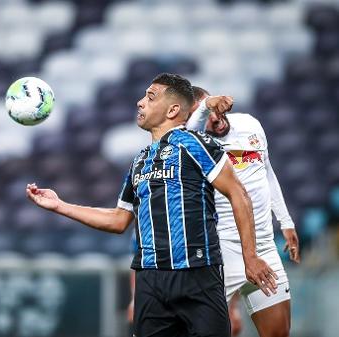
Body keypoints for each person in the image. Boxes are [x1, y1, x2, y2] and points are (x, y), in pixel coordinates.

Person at [26, 73, 277, 337]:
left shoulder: (196, 145)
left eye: (150, 96)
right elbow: (118, 219)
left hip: (198, 275)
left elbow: (239, 194)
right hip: (151, 281)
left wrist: (250, 256)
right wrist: (60, 205)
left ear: (173, 109)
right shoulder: (140, 160)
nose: (140, 102)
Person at [187, 86, 301, 337]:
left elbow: (267, 171)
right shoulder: (195, 143)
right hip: (221, 253)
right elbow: (190, 129)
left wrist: (285, 221)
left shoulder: (250, 124)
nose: (215, 119)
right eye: (208, 115)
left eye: (216, 109)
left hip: (264, 247)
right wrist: (206, 107)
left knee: (278, 334)